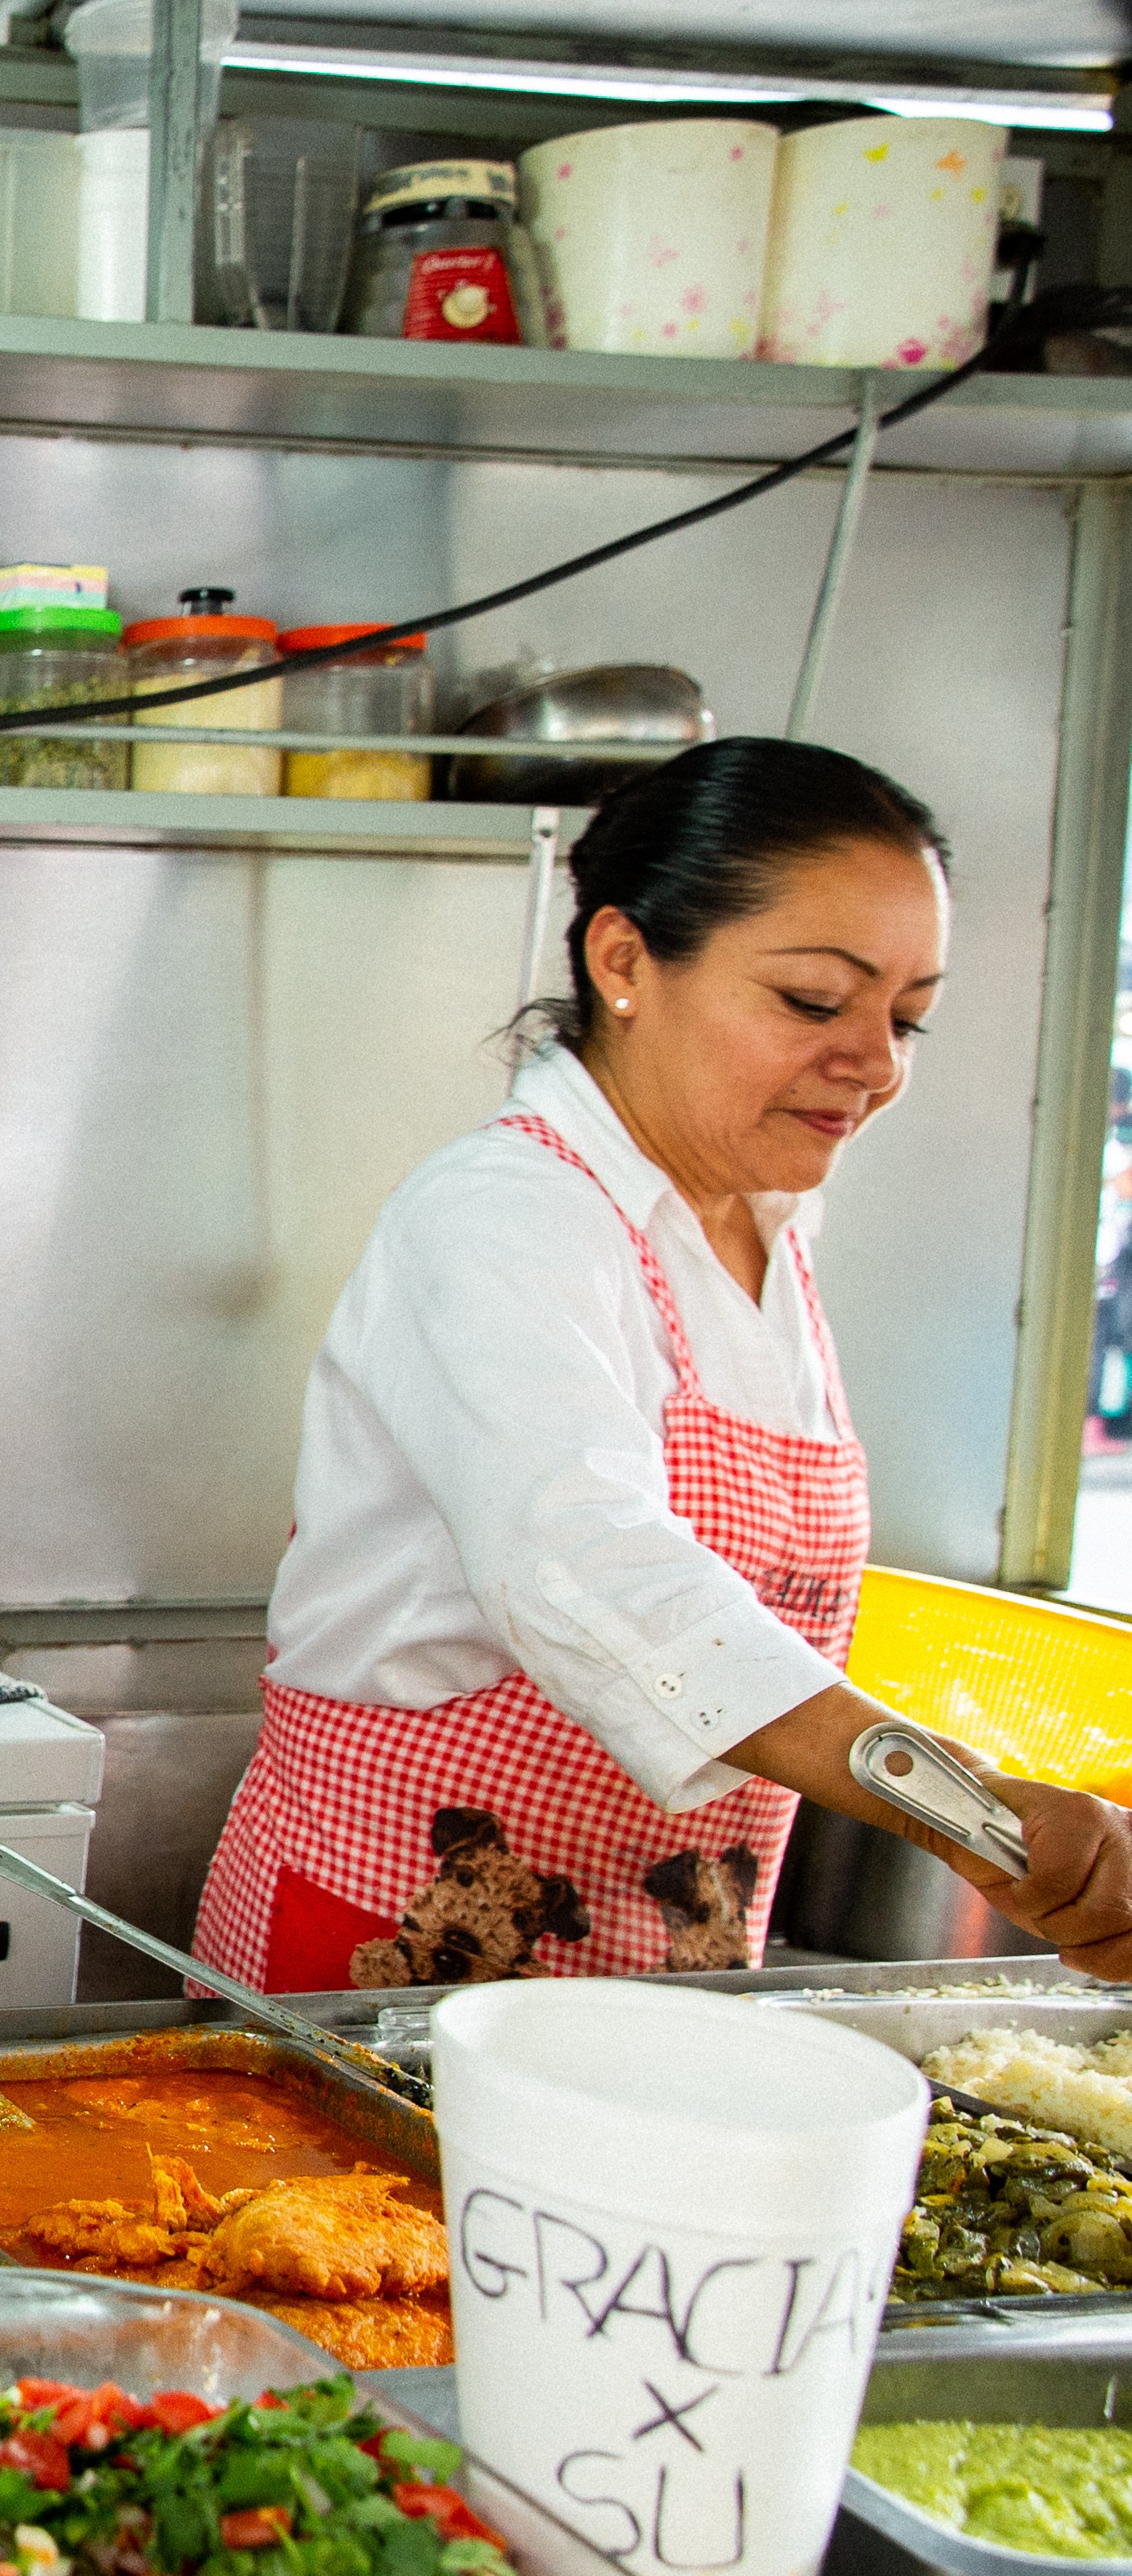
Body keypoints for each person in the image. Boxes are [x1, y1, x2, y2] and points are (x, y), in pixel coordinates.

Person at [198, 739, 1132, 1991]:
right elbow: (596, 1571)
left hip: (670, 1965)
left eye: (906, 1016)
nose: (877, 1061)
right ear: (624, 959)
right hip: (402, 1960)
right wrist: (969, 1814)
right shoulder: (503, 1213)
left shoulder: (761, 1224)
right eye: (813, 1001)